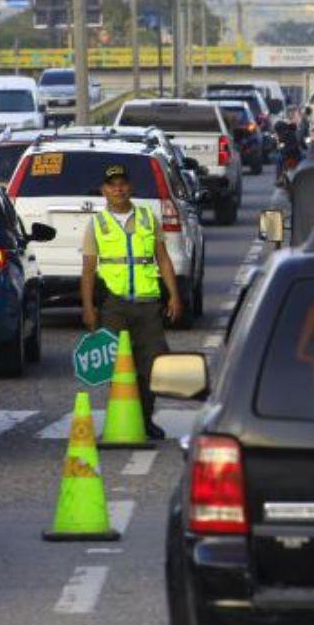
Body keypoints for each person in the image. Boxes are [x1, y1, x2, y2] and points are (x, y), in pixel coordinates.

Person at [79, 164, 184, 438]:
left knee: (153, 364)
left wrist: (174, 294)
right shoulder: (97, 225)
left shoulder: (149, 218)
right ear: (104, 191)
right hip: (114, 305)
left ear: (131, 187)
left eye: (122, 183)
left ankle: (146, 419)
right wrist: (88, 307)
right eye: (112, 185)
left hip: (148, 304)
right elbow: (88, 270)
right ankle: (121, 419)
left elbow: (163, 258)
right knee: (117, 367)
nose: (118, 189)